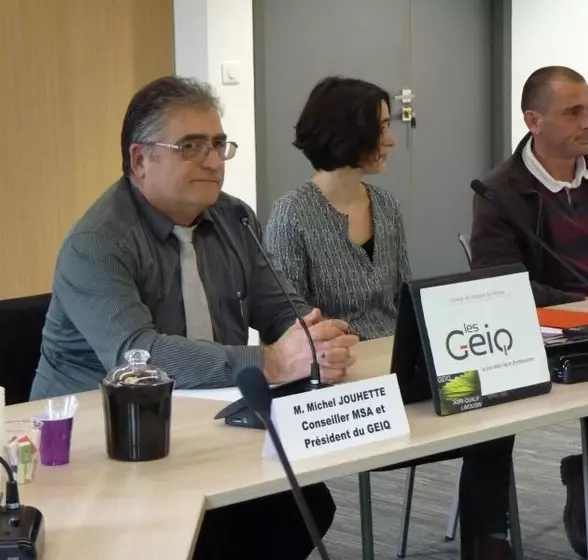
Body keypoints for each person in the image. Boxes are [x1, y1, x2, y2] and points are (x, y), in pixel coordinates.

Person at [30, 75, 359, 559]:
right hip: (100, 448)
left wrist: (314, 342)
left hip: (207, 423)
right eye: (190, 146)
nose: (212, 161)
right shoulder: (97, 243)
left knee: (303, 506)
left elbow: (281, 309)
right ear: (140, 160)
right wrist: (269, 363)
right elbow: (136, 359)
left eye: (219, 144)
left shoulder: (235, 218)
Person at [266, 75, 518, 560]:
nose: (391, 139)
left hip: (402, 373)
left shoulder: (385, 206)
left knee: (491, 401)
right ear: (346, 131)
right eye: (381, 126)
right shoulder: (291, 215)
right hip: (343, 388)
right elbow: (288, 319)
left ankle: (488, 541)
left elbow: (407, 304)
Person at [470, 66, 588, 560]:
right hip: (556, 334)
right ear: (533, 120)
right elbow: (501, 287)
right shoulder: (499, 193)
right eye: (573, 111)